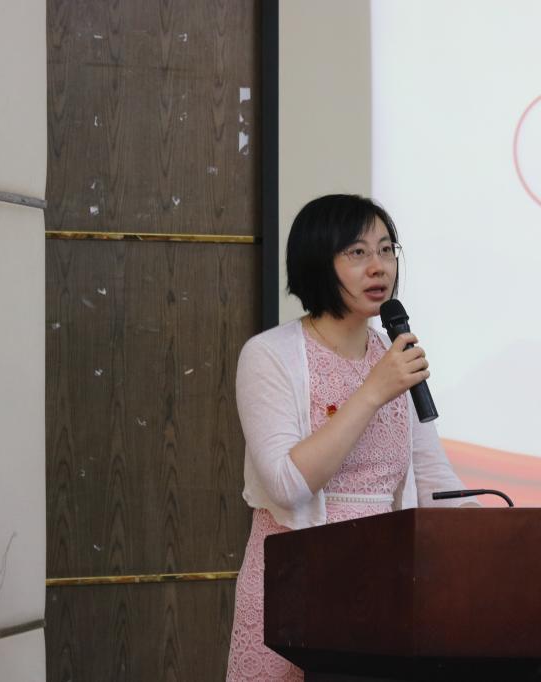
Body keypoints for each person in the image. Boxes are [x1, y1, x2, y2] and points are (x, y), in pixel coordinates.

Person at [225, 194, 471, 680]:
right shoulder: (269, 355)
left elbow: (434, 480)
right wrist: (373, 391)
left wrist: (501, 537)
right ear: (318, 261)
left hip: (381, 585)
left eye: (386, 249)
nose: (379, 266)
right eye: (357, 252)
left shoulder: (393, 356)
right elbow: (287, 484)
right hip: (296, 586)